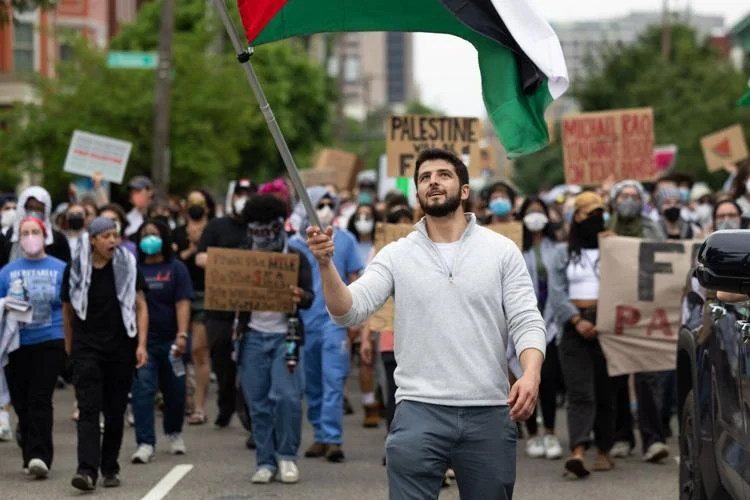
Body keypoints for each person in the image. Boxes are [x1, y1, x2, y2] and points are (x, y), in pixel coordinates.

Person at [305, 148, 546, 498]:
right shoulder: (396, 254)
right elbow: (348, 311)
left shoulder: (502, 250)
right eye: (424, 177)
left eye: (443, 175)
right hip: (418, 411)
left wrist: (531, 374)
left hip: (488, 413)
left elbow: (527, 319)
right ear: (417, 193)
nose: (433, 181)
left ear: (464, 190)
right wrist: (326, 265)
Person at [62, 217, 148, 491]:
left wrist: (141, 344)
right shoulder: (76, 268)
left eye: (115, 235)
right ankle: (86, 471)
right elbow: (67, 309)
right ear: (93, 240)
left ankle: (109, 466)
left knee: (114, 412)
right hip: (87, 349)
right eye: (106, 236)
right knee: (88, 410)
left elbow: (141, 306)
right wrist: (69, 346)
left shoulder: (129, 265)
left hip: (121, 347)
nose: (112, 241)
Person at [236, 195, 314, 484]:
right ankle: (265, 461)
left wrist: (300, 296)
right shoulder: (241, 257)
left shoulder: (296, 257)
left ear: (279, 227)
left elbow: (310, 298)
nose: (262, 236)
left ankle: (287, 457)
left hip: (286, 337)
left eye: (268, 230)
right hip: (252, 337)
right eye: (256, 230)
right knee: (257, 403)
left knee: (288, 399)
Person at [289, 187, 364, 463]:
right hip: (304, 323)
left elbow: (356, 277)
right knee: (312, 383)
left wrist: (357, 318)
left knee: (333, 379)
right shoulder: (295, 244)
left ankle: (333, 439)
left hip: (335, 323)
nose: (323, 208)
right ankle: (320, 435)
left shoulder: (344, 240)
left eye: (327, 204)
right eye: (317, 204)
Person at [548, 191, 615, 478]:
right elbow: (556, 290)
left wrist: (605, 319)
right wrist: (576, 320)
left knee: (606, 390)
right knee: (580, 392)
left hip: (607, 325)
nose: (597, 220)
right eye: (591, 214)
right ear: (577, 218)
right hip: (574, 328)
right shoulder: (563, 252)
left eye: (601, 214)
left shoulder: (612, 249)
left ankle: (603, 450)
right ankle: (578, 449)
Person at [606, 180, 670, 463]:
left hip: (644, 310)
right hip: (614, 309)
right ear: (614, 200)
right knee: (617, 376)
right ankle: (622, 437)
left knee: (647, 376)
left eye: (634, 195)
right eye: (624, 195)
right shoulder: (606, 227)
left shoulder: (653, 228)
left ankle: (653, 439)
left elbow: (665, 259)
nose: (629, 199)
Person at [0, 217, 66, 479]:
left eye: (35, 231)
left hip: (50, 339)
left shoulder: (60, 268)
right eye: (25, 232)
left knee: (40, 397)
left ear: (45, 234)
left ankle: (40, 455)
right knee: (21, 402)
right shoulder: (7, 272)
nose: (30, 236)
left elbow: (69, 307)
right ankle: (30, 451)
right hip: (16, 343)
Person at [130, 220, 193, 463]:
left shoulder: (176, 269)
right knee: (143, 390)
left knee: (175, 391)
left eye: (154, 234)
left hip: (171, 342)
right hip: (142, 343)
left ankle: (174, 432)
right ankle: (145, 442)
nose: (149, 239)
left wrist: (182, 334)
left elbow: (183, 302)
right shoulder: (134, 269)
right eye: (145, 235)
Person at [196, 178, 256, 429]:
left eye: (248, 193)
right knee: (221, 358)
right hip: (219, 306)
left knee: (249, 360)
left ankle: (247, 409)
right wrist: (229, 264)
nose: (244, 197)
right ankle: (225, 403)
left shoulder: (257, 228)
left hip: (250, 308)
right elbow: (200, 257)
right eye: (240, 193)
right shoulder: (216, 227)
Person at [512, 197, 564, 461]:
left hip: (551, 323)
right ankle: (531, 433)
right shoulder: (513, 249)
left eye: (539, 212)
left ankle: (551, 432)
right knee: (525, 376)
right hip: (521, 324)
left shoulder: (557, 248)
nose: (534, 216)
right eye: (529, 212)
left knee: (549, 379)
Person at [173, 189, 215, 425]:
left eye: (199, 202)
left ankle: (200, 406)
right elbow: (171, 261)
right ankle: (182, 399)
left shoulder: (214, 231)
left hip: (204, 294)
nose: (195, 206)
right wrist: (190, 247)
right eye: (191, 202)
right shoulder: (177, 233)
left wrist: (203, 244)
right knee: (179, 349)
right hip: (178, 295)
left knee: (200, 350)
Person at [347, 202, 383, 427]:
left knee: (378, 358)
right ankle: (369, 404)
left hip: (379, 308)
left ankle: (382, 400)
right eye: (359, 215)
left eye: (367, 215)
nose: (363, 219)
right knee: (365, 358)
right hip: (355, 306)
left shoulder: (381, 245)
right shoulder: (350, 244)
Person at [1, 186, 71, 267]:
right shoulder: (9, 235)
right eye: (30, 208)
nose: (34, 213)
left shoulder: (57, 239)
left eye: (39, 209)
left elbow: (65, 269)